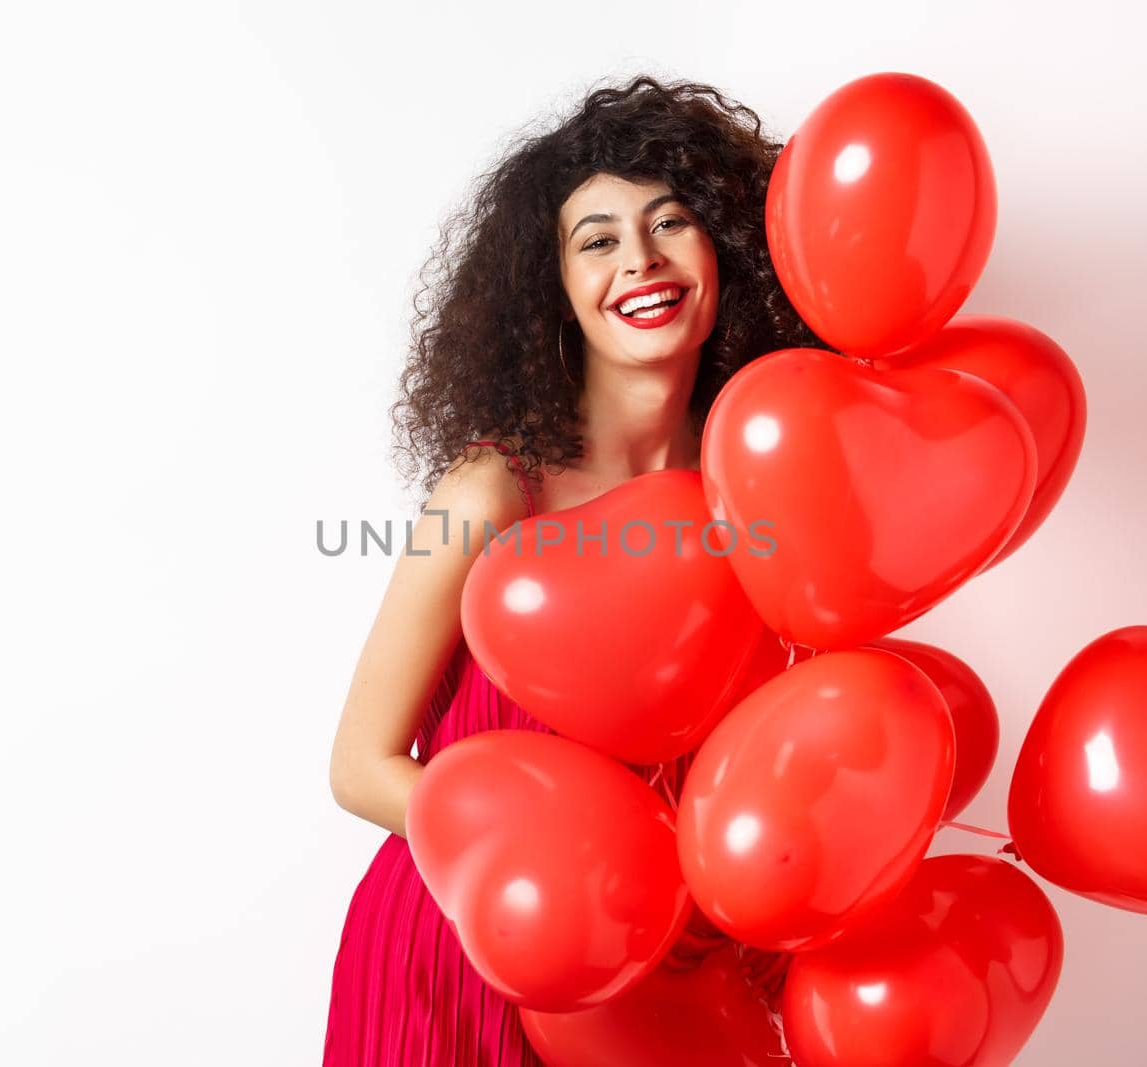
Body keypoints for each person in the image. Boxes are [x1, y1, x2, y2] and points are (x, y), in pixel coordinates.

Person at [324, 73, 827, 1066]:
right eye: (596, 240)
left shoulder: (760, 489)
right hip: (460, 942)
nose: (638, 261)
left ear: (722, 250)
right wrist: (565, 871)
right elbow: (358, 766)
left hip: (655, 980)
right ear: (551, 288)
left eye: (669, 223)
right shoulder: (488, 492)